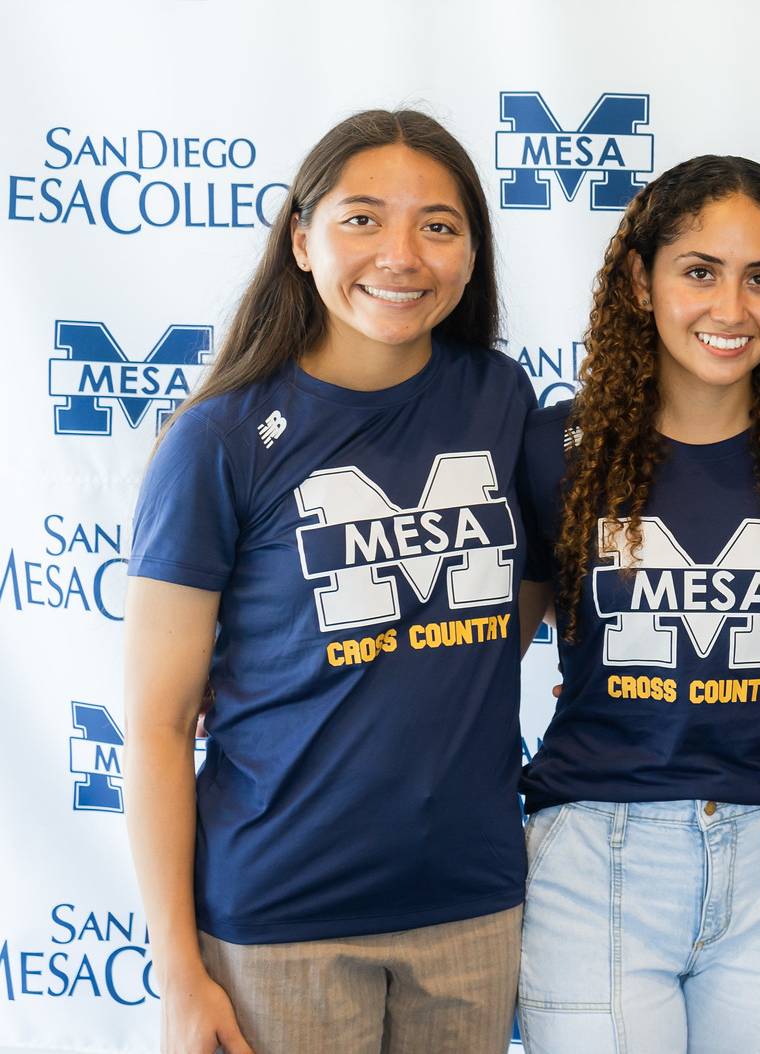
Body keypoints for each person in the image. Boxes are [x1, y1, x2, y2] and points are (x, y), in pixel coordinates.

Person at [124, 109, 530, 1054]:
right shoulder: (218, 440)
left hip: (469, 907)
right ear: (300, 239)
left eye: (438, 224)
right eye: (362, 219)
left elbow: (515, 610)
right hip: (279, 920)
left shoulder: (498, 398)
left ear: (471, 254)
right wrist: (178, 975)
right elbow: (154, 722)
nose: (402, 253)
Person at [512, 155, 760, 1052]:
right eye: (699, 271)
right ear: (641, 280)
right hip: (594, 851)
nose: (731, 309)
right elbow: (471, 657)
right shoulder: (556, 449)